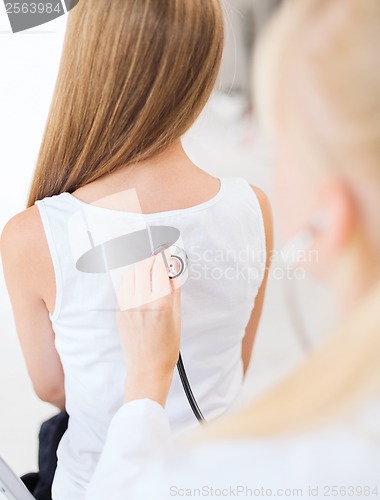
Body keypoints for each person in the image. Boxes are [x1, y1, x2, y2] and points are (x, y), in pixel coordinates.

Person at [82, 0, 380, 498]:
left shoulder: (271, 466)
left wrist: (146, 379)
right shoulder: (252, 208)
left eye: (283, 149)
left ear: (331, 217)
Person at [0, 1, 272, 499]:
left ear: (86, 61)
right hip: (220, 478)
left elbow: (54, 390)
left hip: (94, 480)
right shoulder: (254, 209)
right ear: (205, 66)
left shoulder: (32, 236)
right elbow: (239, 362)